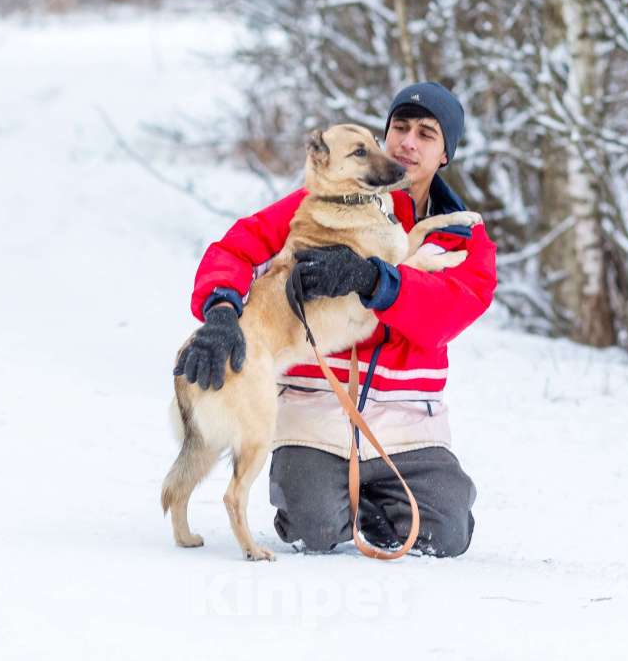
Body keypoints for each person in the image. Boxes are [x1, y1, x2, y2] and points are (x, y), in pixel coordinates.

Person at [174, 82, 497, 557]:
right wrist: (221, 311)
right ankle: (333, 501)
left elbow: (449, 313)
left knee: (445, 536)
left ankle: (368, 501)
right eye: (400, 128)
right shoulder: (321, 207)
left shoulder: (463, 236)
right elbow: (233, 249)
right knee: (314, 530)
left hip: (406, 425)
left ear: (446, 152)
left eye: (426, 134)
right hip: (315, 413)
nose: (408, 142)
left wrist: (375, 281)